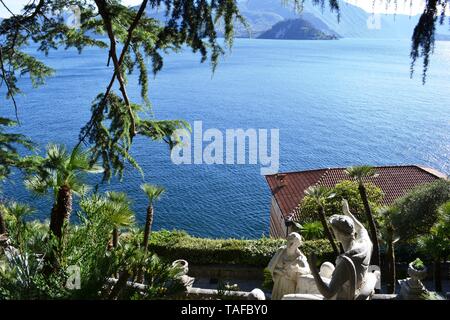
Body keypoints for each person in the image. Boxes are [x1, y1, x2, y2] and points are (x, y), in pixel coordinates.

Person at [308, 199, 373, 300]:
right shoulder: (365, 245)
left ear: (338, 234)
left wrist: (313, 269)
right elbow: (361, 229)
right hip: (355, 287)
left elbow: (328, 293)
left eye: (333, 231)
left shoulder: (345, 261)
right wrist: (347, 212)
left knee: (288, 297)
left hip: (340, 296)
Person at [267, 232, 311, 300]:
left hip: (290, 286)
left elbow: (307, 270)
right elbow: (270, 266)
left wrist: (298, 269)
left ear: (297, 244)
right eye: (288, 241)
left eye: (292, 243)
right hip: (278, 283)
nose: (289, 244)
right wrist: (278, 271)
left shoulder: (300, 258)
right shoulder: (281, 251)